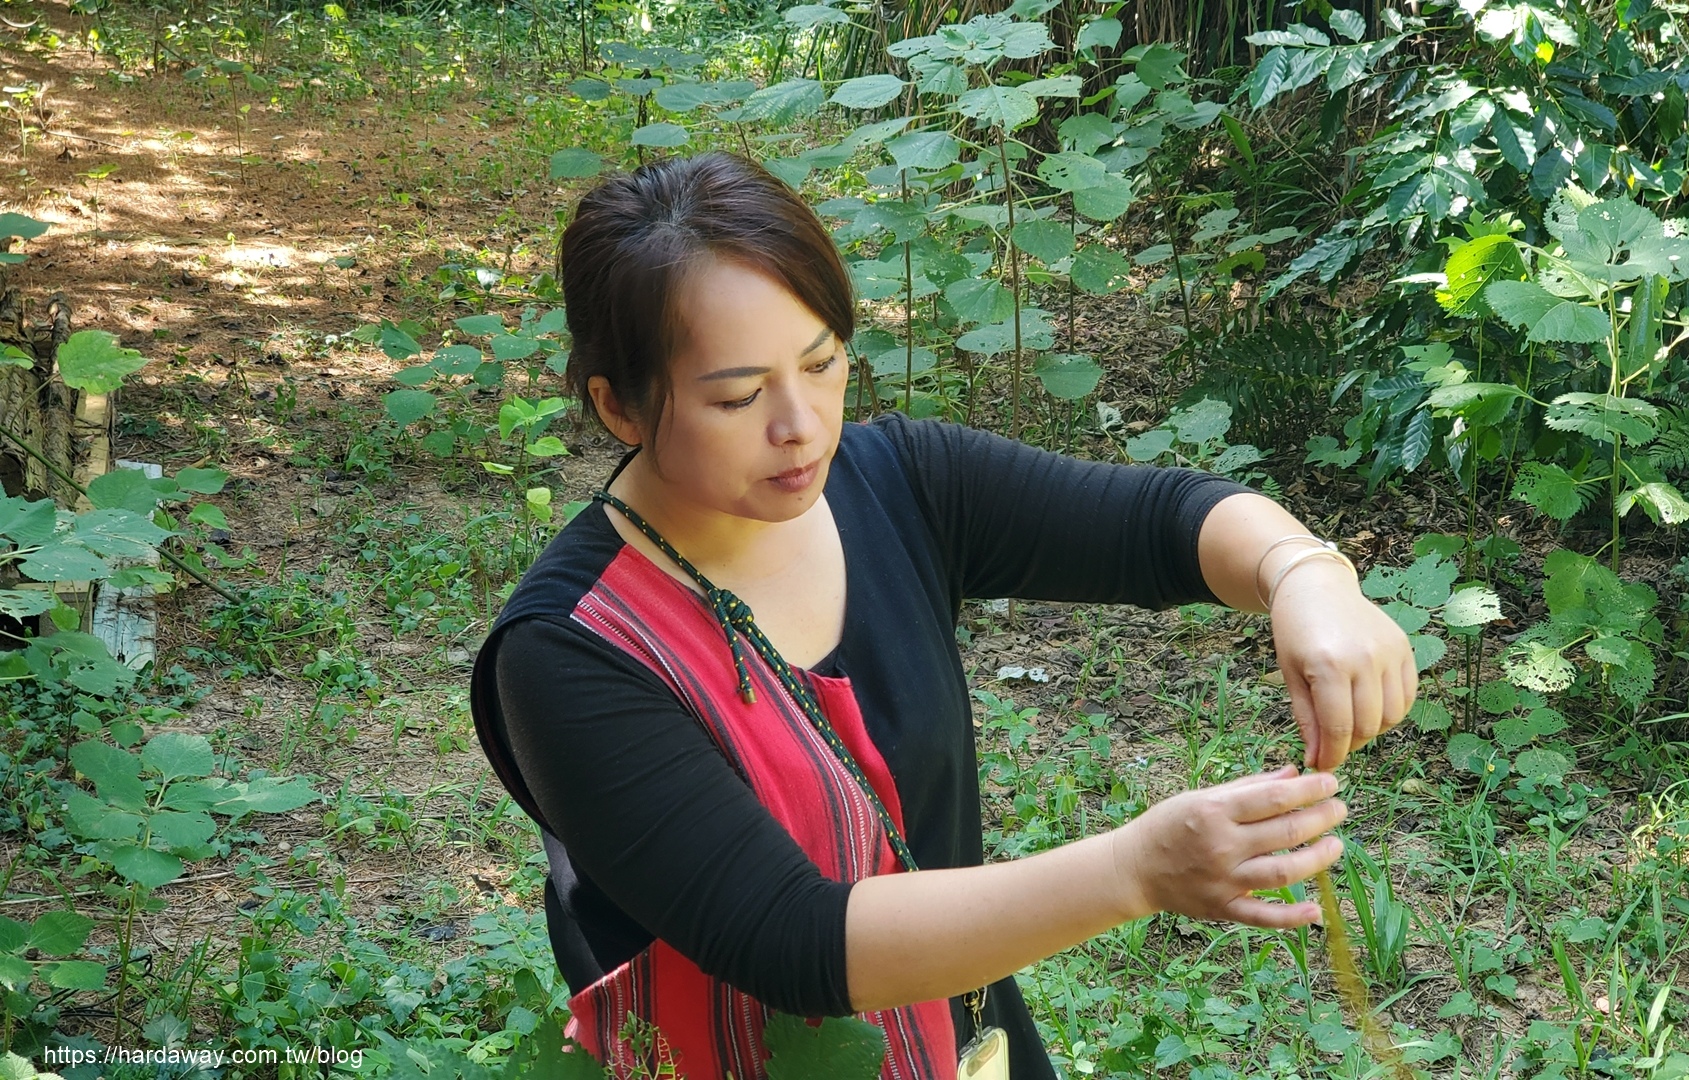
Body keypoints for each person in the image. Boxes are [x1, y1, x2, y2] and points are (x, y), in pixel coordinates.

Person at [469, 151, 1415, 1080]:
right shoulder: (569, 652)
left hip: (963, 1029)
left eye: (823, 362)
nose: (800, 424)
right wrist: (1136, 871)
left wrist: (1307, 577)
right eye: (738, 395)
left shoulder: (898, 483)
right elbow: (790, 939)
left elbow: (1159, 523)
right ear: (620, 407)